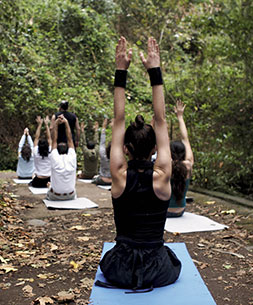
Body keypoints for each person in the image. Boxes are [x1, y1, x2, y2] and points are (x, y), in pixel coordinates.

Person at [98, 36, 181, 290]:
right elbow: (161, 119)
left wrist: (120, 70)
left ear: (124, 149)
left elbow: (118, 119)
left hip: (120, 268)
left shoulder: (119, 174)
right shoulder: (163, 174)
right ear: (155, 148)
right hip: (158, 269)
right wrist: (154, 70)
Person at [167, 100, 194, 217]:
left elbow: (162, 141)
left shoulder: (166, 165)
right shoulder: (188, 165)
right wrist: (180, 117)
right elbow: (185, 139)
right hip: (180, 211)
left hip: (165, 212)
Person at [46, 115, 77, 201]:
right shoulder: (72, 157)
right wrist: (66, 123)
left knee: (49, 185)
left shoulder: (55, 158)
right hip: (70, 195)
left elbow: (54, 140)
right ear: (68, 150)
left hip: (55, 196)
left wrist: (55, 124)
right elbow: (70, 139)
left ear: (57, 151)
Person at [30, 116, 52, 188]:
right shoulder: (51, 151)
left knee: (33, 176)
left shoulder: (36, 152)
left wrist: (39, 124)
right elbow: (49, 138)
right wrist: (46, 125)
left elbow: (36, 138)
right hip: (49, 179)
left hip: (38, 181)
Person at [92, 118, 112, 185]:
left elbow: (102, 142)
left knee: (95, 178)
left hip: (103, 179)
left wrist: (104, 127)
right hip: (113, 180)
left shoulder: (103, 153)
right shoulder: (117, 157)